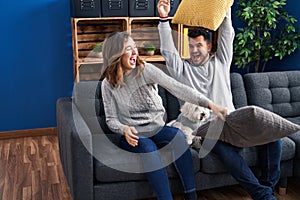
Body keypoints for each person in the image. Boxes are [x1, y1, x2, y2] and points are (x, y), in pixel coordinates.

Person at [157, 0, 282, 200]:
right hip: (205, 130)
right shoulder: (182, 71)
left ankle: (267, 187)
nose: (194, 50)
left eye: (199, 45)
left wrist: (225, 7)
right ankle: (263, 195)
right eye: (190, 46)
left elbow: (227, 34)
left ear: (209, 46)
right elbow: (168, 53)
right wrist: (164, 19)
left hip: (232, 123)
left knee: (273, 137)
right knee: (224, 151)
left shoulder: (221, 63)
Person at [100, 31, 228, 200]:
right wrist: (124, 129)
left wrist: (210, 104)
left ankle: (191, 196)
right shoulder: (107, 84)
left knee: (178, 137)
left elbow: (178, 88)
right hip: (134, 134)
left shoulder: (146, 70)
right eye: (128, 49)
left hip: (158, 128)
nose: (134, 52)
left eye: (134, 47)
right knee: (149, 150)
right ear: (115, 54)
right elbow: (111, 119)